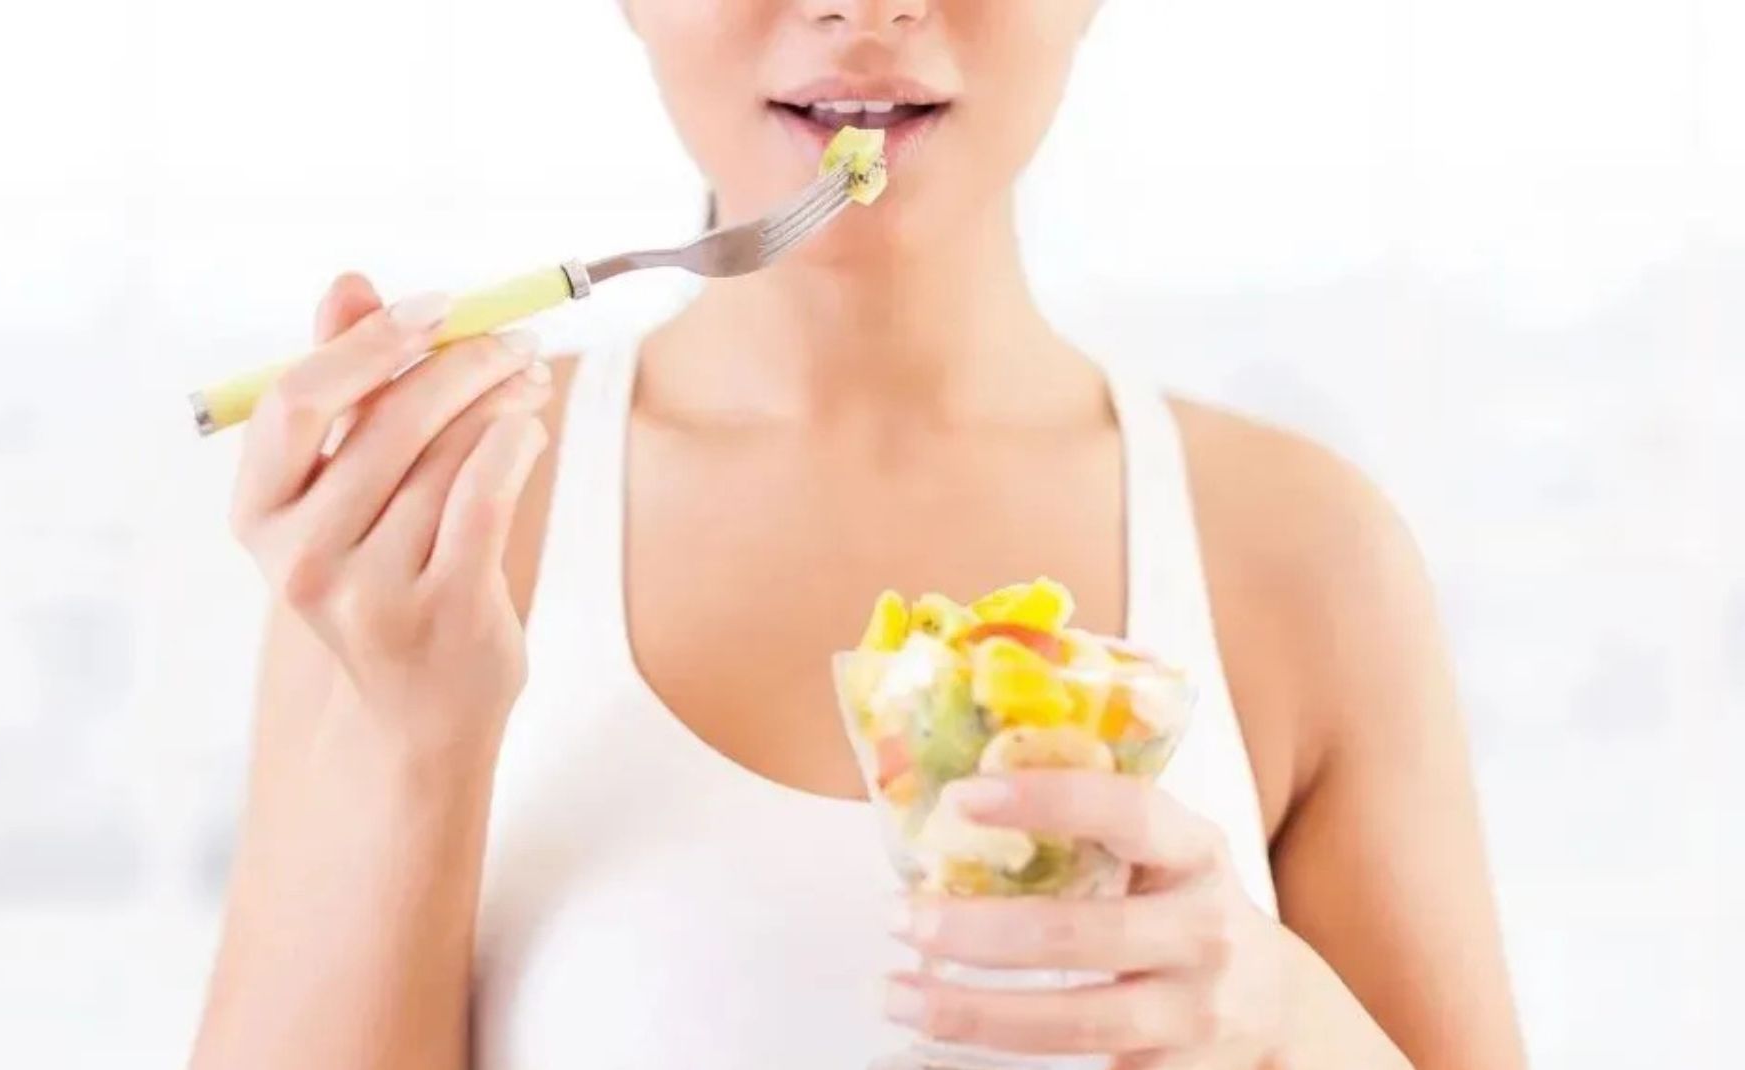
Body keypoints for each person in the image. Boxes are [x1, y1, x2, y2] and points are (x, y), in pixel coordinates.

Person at [189, 2, 1524, 1068]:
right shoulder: (432, 527)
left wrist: (1281, 1016)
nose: (862, 8)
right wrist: (415, 742)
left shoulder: (1302, 552)